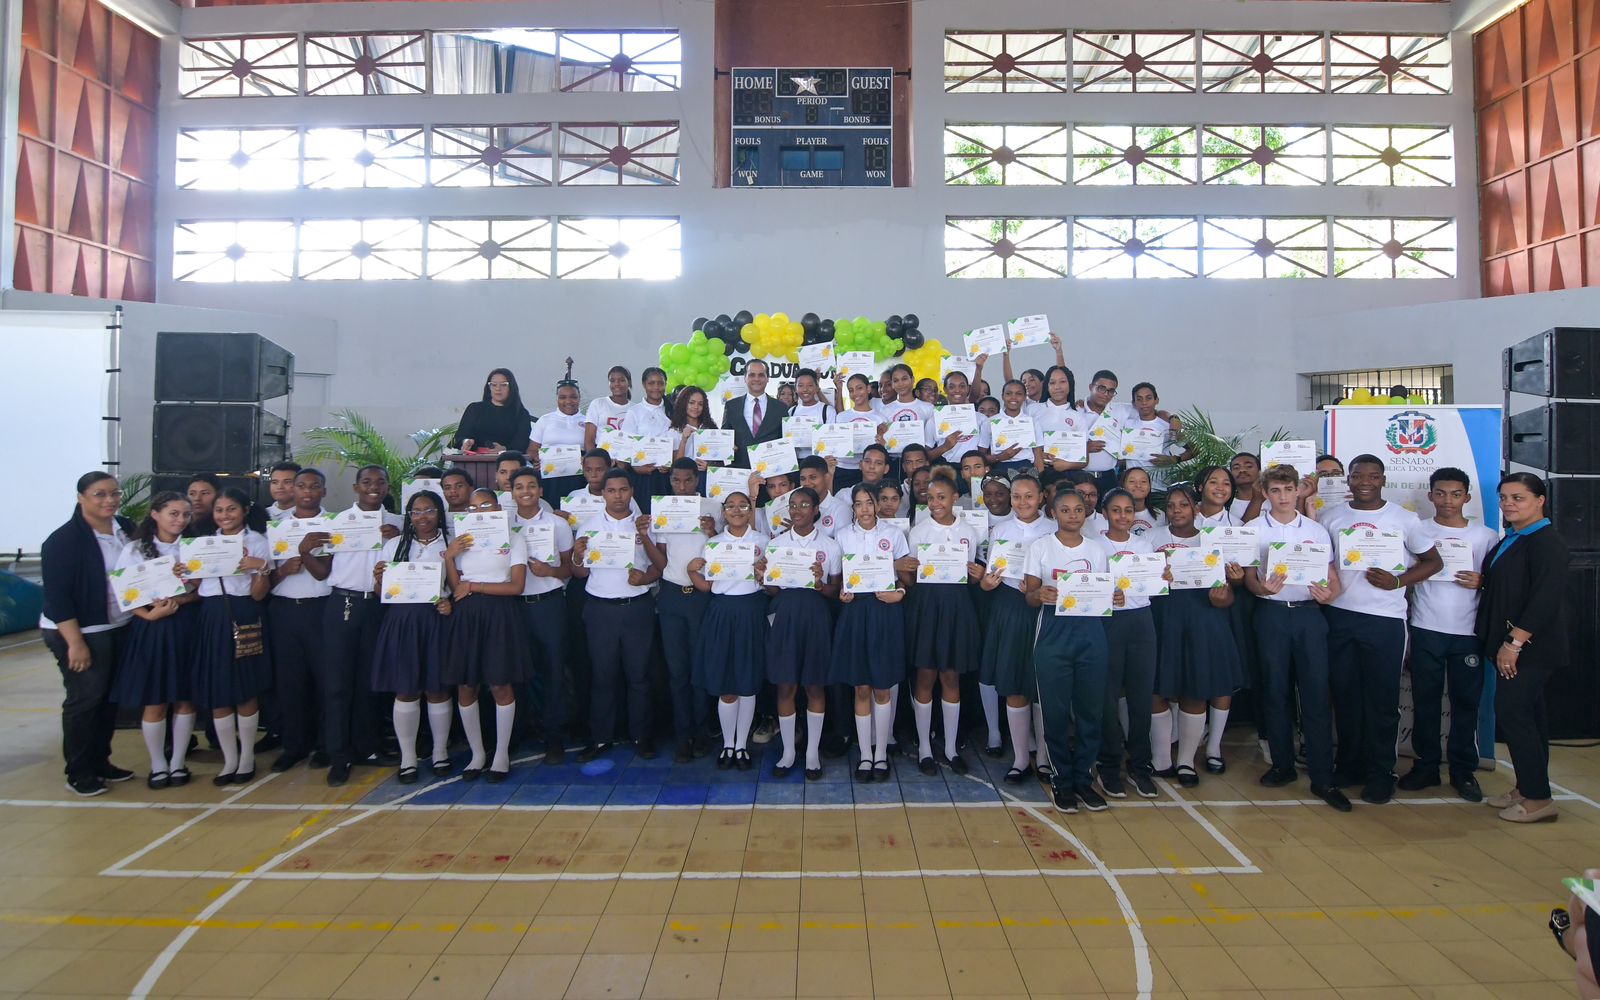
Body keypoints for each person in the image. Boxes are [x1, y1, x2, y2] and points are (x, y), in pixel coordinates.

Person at [1318, 454, 1442, 804]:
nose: (1366, 482)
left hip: (1385, 620)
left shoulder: (1404, 519)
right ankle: (1350, 764)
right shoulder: (1331, 517)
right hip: (1339, 616)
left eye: (1373, 476)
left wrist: (1398, 580)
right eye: (1358, 476)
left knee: (1382, 700)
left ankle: (1381, 771)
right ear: (1349, 480)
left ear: (1383, 480)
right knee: (1344, 696)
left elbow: (1434, 561)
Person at [1246, 464, 1350, 811]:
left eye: (1289, 489)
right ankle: (1283, 765)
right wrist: (1260, 588)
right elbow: (1248, 576)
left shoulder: (1317, 531)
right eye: (1275, 490)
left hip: (1308, 614)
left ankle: (1323, 775)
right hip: (1272, 613)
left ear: (1298, 491)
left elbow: (1332, 576)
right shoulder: (1253, 528)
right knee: (1275, 691)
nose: (1283, 496)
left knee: (1316, 693)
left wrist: (1330, 595)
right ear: (1265, 492)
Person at [298, 464, 402, 786]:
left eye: (380, 482)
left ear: (387, 487)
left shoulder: (398, 524)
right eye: (367, 482)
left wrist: (399, 539)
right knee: (339, 683)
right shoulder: (337, 523)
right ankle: (339, 755)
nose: (374, 487)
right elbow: (321, 572)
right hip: (343, 603)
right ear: (356, 487)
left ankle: (368, 748)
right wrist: (304, 551)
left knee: (371, 682)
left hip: (379, 607)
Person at [1478, 472, 1570, 824]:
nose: (1508, 504)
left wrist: (1514, 643)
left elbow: (1544, 600)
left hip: (1529, 650)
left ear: (1540, 500)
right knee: (1529, 718)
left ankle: (1539, 799)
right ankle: (1527, 786)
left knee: (1515, 716)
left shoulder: (1547, 542)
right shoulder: (1516, 538)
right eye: (1504, 498)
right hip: (1513, 645)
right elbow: (1512, 583)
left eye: (1518, 498)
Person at [1402, 467, 1498, 802]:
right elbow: (1404, 577)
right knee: (1425, 703)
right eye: (1440, 493)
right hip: (1426, 628)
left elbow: (1499, 585)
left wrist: (1482, 582)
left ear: (1467, 497)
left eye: (1455, 494)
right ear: (1430, 496)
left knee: (1465, 704)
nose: (1447, 500)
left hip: (1468, 633)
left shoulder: (1485, 536)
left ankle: (1462, 770)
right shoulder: (1419, 530)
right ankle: (1426, 767)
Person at [40, 471, 137, 796]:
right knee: (85, 700)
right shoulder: (63, 540)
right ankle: (79, 771)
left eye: (114, 493)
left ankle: (100, 761)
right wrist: (75, 642)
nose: (109, 500)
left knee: (108, 700)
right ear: (82, 498)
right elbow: (58, 597)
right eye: (100, 494)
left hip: (118, 625)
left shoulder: (125, 529)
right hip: (81, 631)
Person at [1143, 485, 1242, 789]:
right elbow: (1137, 582)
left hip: (1202, 619)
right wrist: (1154, 577)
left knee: (1195, 690)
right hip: (1161, 618)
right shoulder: (1150, 540)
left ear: (1195, 508)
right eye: (1171, 506)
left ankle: (1186, 760)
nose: (1176, 511)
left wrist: (1229, 589)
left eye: (1183, 505)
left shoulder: (1212, 542)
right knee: (1155, 689)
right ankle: (1161, 759)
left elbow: (1225, 600)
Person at [1023, 488, 1113, 815]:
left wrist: (1113, 598)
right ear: (1053, 513)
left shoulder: (1098, 550)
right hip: (1053, 631)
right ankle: (1062, 781)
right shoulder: (1041, 548)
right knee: (1056, 711)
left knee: (1090, 711)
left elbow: (1104, 591)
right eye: (1065, 510)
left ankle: (1083, 778)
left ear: (1086, 513)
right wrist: (1041, 595)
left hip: (1091, 631)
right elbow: (1030, 595)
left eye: (1078, 509)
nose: (1073, 515)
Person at [572, 470, 662, 761]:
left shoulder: (645, 525)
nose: (618, 496)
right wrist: (576, 555)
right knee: (602, 676)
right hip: (600, 609)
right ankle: (600, 738)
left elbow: (659, 566)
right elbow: (579, 572)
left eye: (623, 490)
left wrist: (645, 578)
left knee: (639, 676)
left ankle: (642, 736)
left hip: (636, 608)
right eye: (612, 491)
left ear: (632, 491)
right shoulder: (589, 526)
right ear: (604, 494)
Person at [442, 488, 531, 782]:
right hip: (466, 615)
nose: (480, 512)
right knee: (467, 686)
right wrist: (450, 559)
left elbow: (516, 586)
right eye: (473, 508)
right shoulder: (461, 542)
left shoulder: (514, 538)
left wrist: (476, 586)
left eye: (486, 506)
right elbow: (457, 588)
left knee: (499, 684)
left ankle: (501, 754)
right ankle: (478, 753)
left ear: (497, 507)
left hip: (499, 613)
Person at [113, 492, 199, 790]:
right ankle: (158, 764)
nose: (180, 520)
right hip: (153, 628)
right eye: (173, 513)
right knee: (156, 699)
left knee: (185, 698)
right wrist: (148, 615)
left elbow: (204, 587)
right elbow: (124, 591)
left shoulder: (193, 547)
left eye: (185, 515)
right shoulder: (136, 549)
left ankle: (178, 762)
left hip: (186, 625)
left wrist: (186, 590)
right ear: (155, 514)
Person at [190, 488, 273, 786]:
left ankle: (247, 757)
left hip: (244, 613)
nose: (225, 516)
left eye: (231, 509)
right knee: (218, 690)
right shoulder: (202, 544)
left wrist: (260, 568)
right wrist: (183, 572)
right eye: (219, 510)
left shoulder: (257, 542)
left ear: (245, 511)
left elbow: (258, 594)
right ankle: (229, 760)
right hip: (212, 616)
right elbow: (195, 585)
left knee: (245, 689)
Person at [370, 489, 454, 783]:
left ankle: (440, 752)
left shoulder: (451, 544)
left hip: (436, 620)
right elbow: (381, 593)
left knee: (437, 689)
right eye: (416, 512)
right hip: (402, 620)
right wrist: (380, 578)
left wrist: (450, 603)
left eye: (429, 510)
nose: (422, 517)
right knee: (405, 689)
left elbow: (459, 585)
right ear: (408, 516)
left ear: (439, 513)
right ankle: (408, 757)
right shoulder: (393, 545)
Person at [831, 482, 911, 782]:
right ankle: (865, 755)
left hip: (885, 611)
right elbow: (839, 580)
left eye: (869, 502)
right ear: (853, 508)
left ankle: (881, 754)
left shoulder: (893, 535)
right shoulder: (842, 536)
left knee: (882, 686)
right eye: (859, 504)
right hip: (855, 612)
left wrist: (900, 592)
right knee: (861, 687)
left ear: (878, 504)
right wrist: (843, 594)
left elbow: (906, 580)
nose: (865, 509)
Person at [906, 468, 983, 776]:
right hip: (926, 605)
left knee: (951, 676)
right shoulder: (918, 532)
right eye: (930, 497)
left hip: (956, 605)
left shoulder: (969, 532)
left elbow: (970, 577)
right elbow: (911, 578)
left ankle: (950, 747)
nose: (935, 502)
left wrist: (977, 578)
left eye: (941, 497)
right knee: (925, 675)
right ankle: (925, 746)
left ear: (955, 498)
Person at [978, 474, 1054, 783]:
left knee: (1043, 685)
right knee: (1013, 683)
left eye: (1029, 496)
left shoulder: (1053, 529)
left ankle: (1046, 757)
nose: (1022, 502)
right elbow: (989, 577)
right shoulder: (1001, 530)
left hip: (1045, 609)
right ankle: (1021, 757)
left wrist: (1038, 586)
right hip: (1009, 605)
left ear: (1041, 499)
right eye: (1017, 497)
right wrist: (987, 583)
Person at [762, 486, 842, 779]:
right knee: (785, 685)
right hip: (784, 616)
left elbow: (834, 592)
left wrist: (820, 583)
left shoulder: (831, 546)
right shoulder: (776, 544)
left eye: (804, 505)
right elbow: (772, 590)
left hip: (817, 616)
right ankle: (788, 752)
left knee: (814, 685)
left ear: (816, 510)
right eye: (792, 506)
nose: (797, 510)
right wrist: (762, 577)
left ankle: (811, 753)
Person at [689, 490, 768, 770]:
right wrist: (692, 572)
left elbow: (772, 585)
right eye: (731, 506)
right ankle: (728, 745)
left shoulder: (763, 542)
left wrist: (764, 573)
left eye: (742, 506)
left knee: (747, 683)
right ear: (724, 512)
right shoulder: (713, 544)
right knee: (726, 686)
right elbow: (708, 587)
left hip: (751, 612)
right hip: (721, 613)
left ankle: (743, 745)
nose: (736, 511)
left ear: (750, 511)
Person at [1097, 487, 1164, 798]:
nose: (1122, 516)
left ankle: (1140, 766)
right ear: (1105, 513)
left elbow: (1154, 583)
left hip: (1141, 621)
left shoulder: (1145, 544)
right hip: (1109, 623)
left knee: (1140, 697)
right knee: (1107, 698)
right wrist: (1106, 594)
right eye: (1115, 510)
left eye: (1128, 510)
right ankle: (1109, 766)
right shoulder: (1095, 546)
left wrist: (1165, 577)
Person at [266, 468, 332, 773]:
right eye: (301, 486)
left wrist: (306, 556)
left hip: (321, 608)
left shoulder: (333, 524)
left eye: (314, 486)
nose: (307, 492)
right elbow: (266, 575)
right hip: (284, 609)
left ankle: (324, 745)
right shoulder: (276, 526)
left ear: (323, 491)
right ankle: (294, 745)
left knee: (324, 680)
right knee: (290, 682)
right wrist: (282, 571)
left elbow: (325, 571)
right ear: (292, 490)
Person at [508, 467, 575, 764]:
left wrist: (549, 571)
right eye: (519, 486)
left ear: (541, 491)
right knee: (520, 671)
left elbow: (569, 568)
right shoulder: (503, 526)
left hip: (549, 604)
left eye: (531, 486)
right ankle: (523, 730)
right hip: (513, 605)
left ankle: (554, 737)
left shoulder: (557, 525)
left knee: (553, 670)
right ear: (511, 493)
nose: (526, 491)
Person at [649, 459, 714, 762]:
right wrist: (644, 538)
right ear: (671, 481)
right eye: (677, 481)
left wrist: (713, 532)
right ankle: (682, 735)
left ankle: (702, 733)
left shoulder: (712, 508)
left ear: (697, 481)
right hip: (673, 595)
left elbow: (726, 553)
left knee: (699, 668)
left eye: (688, 481)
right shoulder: (663, 511)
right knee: (677, 671)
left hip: (701, 598)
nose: (682, 486)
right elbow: (661, 562)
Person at [619, 366, 672, 510]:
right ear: (644, 385)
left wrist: (669, 464)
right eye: (651, 383)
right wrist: (635, 467)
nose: (656, 387)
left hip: (667, 475)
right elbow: (626, 445)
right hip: (643, 476)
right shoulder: (634, 412)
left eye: (660, 383)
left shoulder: (672, 410)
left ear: (665, 384)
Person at [529, 374, 587, 502]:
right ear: (557, 399)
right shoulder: (545, 420)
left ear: (579, 398)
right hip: (550, 475)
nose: (568, 401)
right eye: (563, 397)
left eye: (573, 397)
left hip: (578, 475)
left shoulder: (588, 421)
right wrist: (539, 459)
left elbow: (593, 448)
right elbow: (532, 449)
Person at [723, 359, 788, 467]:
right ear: (745, 378)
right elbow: (725, 435)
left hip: (771, 471)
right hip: (740, 470)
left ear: (767, 379)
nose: (756, 379)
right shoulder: (731, 406)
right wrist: (728, 446)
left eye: (761, 375)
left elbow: (785, 440)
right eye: (752, 375)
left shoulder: (781, 408)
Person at [1078, 369, 1135, 492]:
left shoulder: (1121, 410)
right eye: (1101, 388)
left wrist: (1173, 418)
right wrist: (1084, 448)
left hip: (1109, 477)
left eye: (1111, 391)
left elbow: (1149, 410)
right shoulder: (1076, 411)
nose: (1106, 394)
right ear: (1091, 387)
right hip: (1081, 476)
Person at [453, 367, 532, 453]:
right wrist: (466, 442)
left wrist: (504, 449)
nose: (498, 388)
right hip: (474, 460)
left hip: (508, 460)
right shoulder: (475, 409)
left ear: (511, 387)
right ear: (489, 387)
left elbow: (522, 444)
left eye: (503, 385)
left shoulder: (521, 413)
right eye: (494, 384)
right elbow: (460, 436)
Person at [582, 365, 634, 452]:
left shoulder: (635, 409)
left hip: (626, 458)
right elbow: (589, 441)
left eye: (621, 380)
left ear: (629, 382)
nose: (617, 384)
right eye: (612, 380)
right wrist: (596, 460)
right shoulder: (598, 404)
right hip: (601, 460)